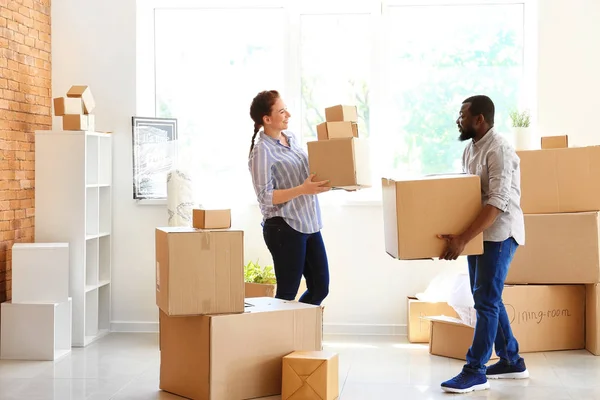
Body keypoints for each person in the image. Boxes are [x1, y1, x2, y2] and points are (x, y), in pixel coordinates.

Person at [437, 95, 529, 393]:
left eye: (463, 114)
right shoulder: (470, 149)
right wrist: (457, 233)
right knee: (488, 298)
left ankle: (475, 370)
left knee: (486, 300)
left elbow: (498, 202)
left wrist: (463, 238)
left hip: (500, 233)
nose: (458, 119)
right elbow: (468, 196)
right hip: (480, 235)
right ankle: (511, 360)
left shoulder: (499, 150)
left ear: (480, 119)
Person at [248, 90, 331, 305]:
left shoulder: (291, 138)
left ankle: (298, 331)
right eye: (282, 111)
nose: (288, 115)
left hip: (309, 222)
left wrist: (343, 181)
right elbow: (265, 198)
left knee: (320, 288)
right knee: (287, 294)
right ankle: (277, 337)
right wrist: (302, 189)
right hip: (284, 227)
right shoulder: (261, 152)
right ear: (267, 119)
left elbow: (307, 174)